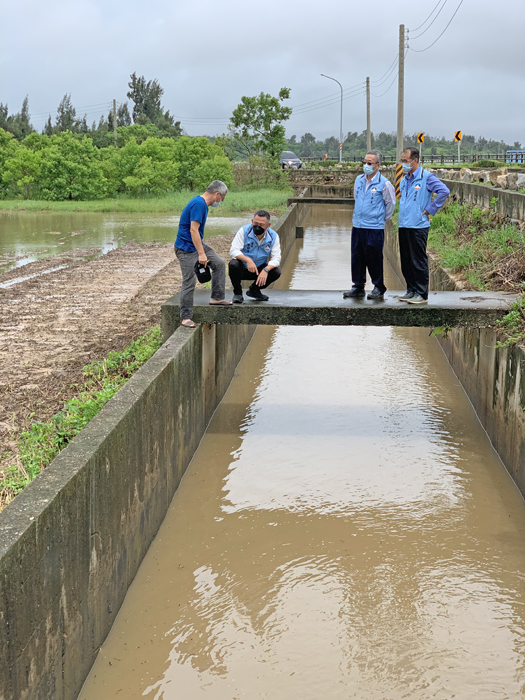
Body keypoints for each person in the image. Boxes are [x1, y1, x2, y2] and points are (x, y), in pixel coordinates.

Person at [174, 180, 232, 328]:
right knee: (189, 281)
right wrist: (201, 254)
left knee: (219, 263)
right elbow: (193, 230)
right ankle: (186, 317)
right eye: (222, 199)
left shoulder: (202, 204)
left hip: (196, 243)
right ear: (217, 194)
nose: (220, 202)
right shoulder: (199, 204)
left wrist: (201, 250)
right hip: (186, 248)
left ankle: (217, 298)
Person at [398, 147, 450, 305]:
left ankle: (421, 293)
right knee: (406, 260)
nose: (403, 164)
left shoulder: (426, 177)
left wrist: (430, 209)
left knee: (418, 260)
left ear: (415, 161)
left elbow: (444, 191)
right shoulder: (404, 180)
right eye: (402, 161)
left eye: (405, 161)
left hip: (418, 226)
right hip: (404, 224)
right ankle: (411, 290)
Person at [343, 150, 395, 300]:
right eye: (364, 162)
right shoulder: (359, 180)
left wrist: (379, 219)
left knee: (374, 257)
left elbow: (390, 204)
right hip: (358, 225)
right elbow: (356, 198)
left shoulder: (384, 184)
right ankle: (358, 286)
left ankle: (378, 287)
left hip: (374, 227)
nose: (366, 165)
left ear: (377, 165)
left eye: (369, 163)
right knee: (357, 256)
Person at [228, 210, 281, 303]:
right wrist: (247, 260)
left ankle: (254, 290)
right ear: (252, 221)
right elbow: (233, 250)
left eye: (261, 225)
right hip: (243, 268)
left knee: (276, 271)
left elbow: (276, 258)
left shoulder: (273, 236)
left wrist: (266, 269)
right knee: (233, 264)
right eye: (255, 223)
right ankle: (237, 293)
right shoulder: (244, 231)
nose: (257, 227)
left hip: (259, 269)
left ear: (268, 225)